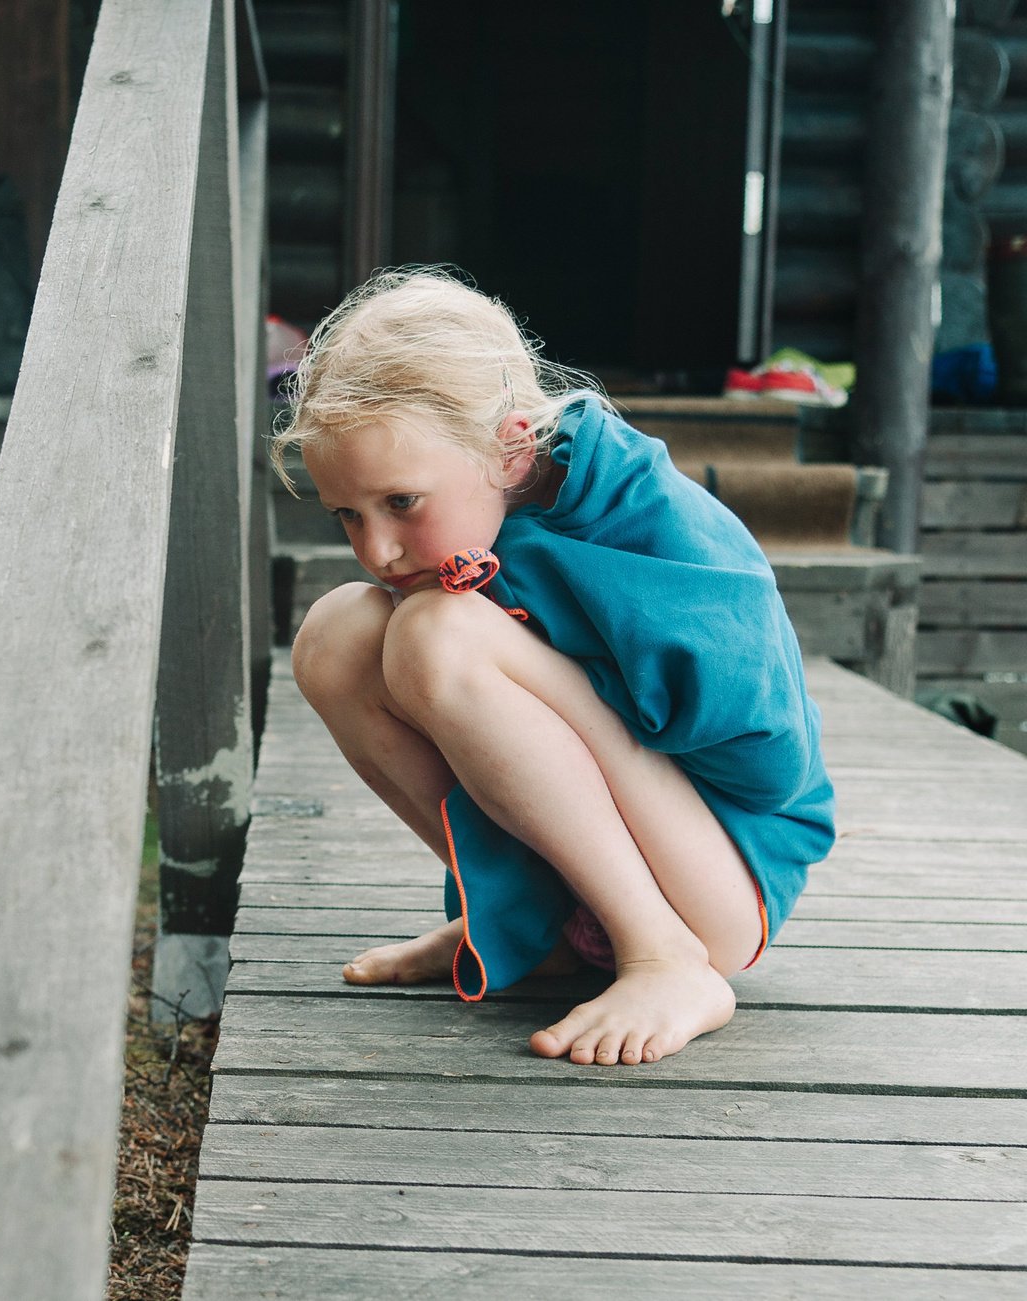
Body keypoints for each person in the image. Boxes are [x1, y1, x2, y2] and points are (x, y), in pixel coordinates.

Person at [280, 268, 836, 1067]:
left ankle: (663, 959)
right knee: (336, 634)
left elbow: (771, 763)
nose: (377, 549)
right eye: (348, 514)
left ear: (510, 446)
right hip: (624, 871)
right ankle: (525, 922)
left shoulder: (655, 520)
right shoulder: (475, 514)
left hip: (722, 878)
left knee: (437, 635)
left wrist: (544, 658)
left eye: (401, 502)